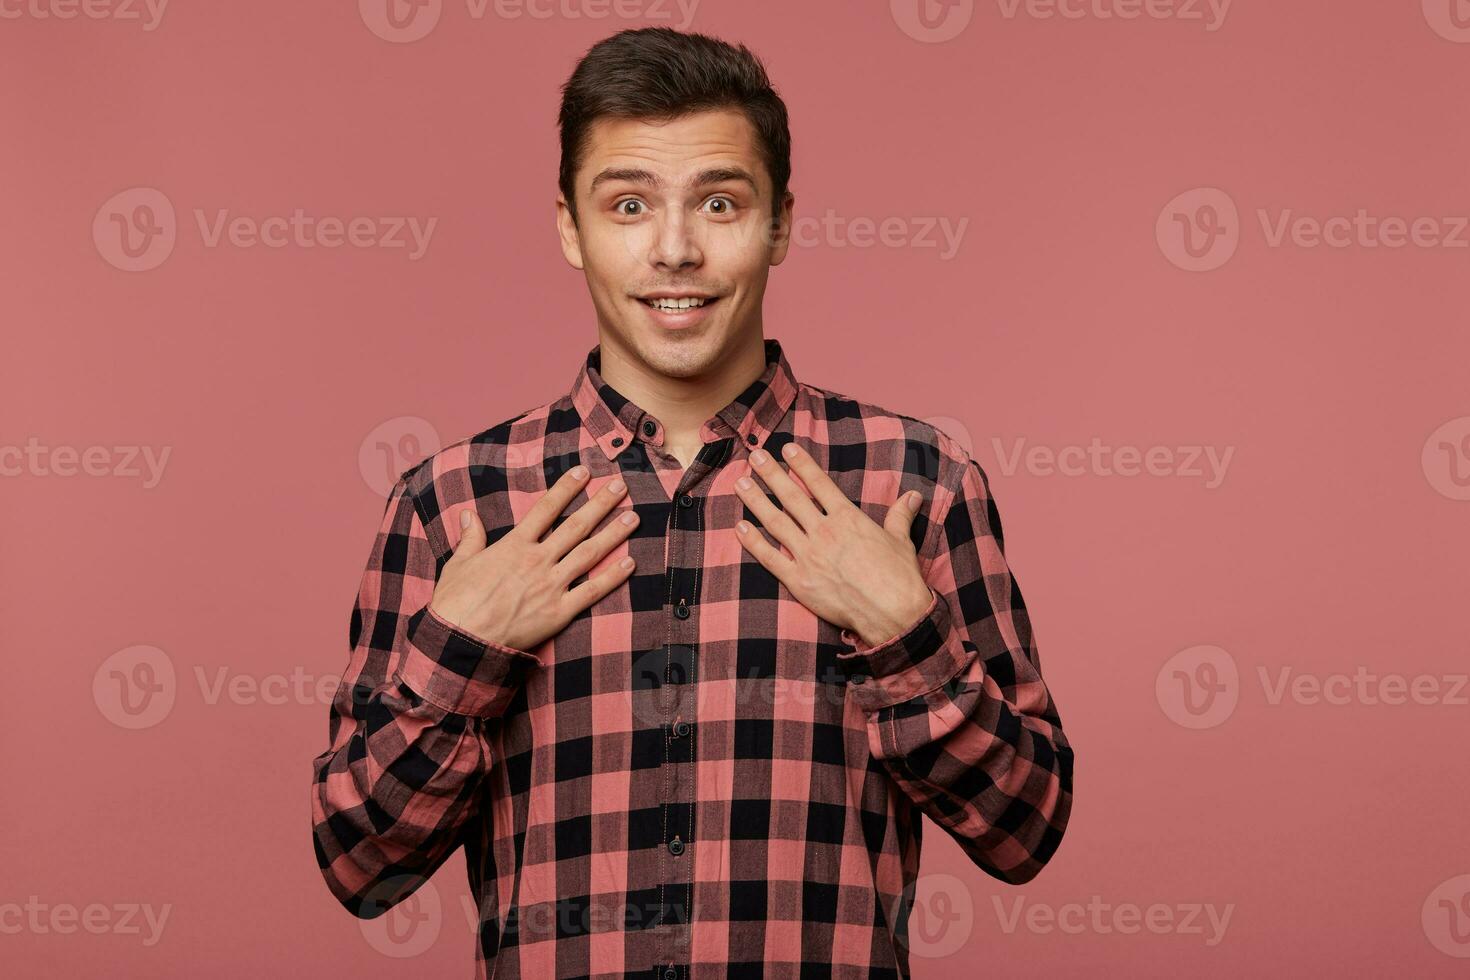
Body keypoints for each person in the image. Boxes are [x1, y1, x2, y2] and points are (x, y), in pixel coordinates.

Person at [310, 26, 1073, 980]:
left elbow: (1028, 830)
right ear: (568, 227)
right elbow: (358, 863)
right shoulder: (453, 502)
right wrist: (464, 648)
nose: (675, 250)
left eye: (719, 202)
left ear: (781, 223)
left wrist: (906, 635)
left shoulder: (912, 481)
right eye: (628, 205)